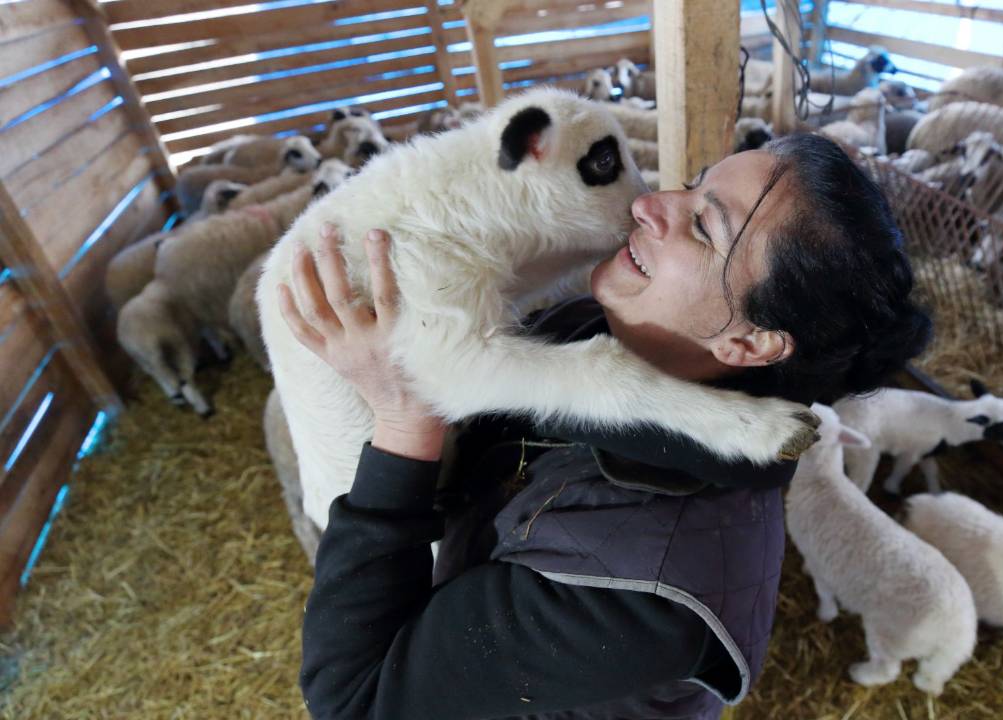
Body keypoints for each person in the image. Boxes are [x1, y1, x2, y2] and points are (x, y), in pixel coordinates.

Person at [281, 133, 931, 720]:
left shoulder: (641, 594)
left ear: (751, 344)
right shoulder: (601, 334)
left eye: (704, 228)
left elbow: (351, 698)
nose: (651, 204)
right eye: (695, 183)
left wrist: (402, 417)